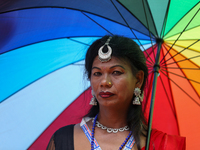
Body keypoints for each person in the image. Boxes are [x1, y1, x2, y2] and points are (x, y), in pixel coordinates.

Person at [46, 35, 185, 150]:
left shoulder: (163, 145)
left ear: (138, 79)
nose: (104, 82)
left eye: (116, 72)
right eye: (97, 73)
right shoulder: (62, 140)